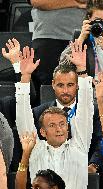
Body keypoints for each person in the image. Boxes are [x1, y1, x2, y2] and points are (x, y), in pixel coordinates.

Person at [15, 42, 94, 188]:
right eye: (52, 125)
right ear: (43, 132)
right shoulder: (35, 150)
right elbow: (23, 117)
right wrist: (25, 77)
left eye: (62, 124)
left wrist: (82, 71)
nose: (59, 129)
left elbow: (86, 109)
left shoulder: (79, 146)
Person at [29, 0, 87, 105]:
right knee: (48, 88)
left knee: (83, 85)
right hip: (48, 37)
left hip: (83, 36)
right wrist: (76, 3)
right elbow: (37, 1)